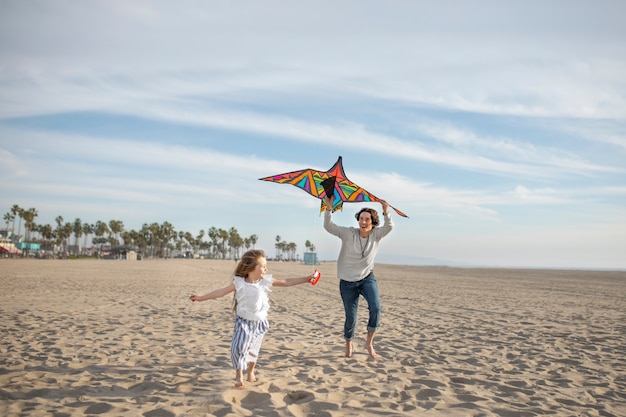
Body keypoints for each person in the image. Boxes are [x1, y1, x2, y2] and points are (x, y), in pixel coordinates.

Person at [190, 249, 319, 387]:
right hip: (243, 322)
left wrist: (307, 278)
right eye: (262, 266)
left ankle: (250, 371)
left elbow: (286, 281)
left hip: (260, 322)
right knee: (238, 347)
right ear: (251, 267)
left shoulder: (264, 282)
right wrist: (200, 298)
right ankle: (239, 376)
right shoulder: (239, 283)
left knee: (254, 348)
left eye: (265, 266)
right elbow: (219, 292)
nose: (266, 269)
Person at [323, 195, 394, 359]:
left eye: (367, 219)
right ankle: (349, 344)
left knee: (376, 308)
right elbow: (329, 226)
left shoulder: (376, 235)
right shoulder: (348, 233)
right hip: (347, 282)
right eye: (361, 218)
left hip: (367, 279)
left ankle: (369, 343)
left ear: (373, 222)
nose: (363, 222)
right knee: (351, 317)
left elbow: (389, 227)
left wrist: (386, 212)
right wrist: (328, 208)